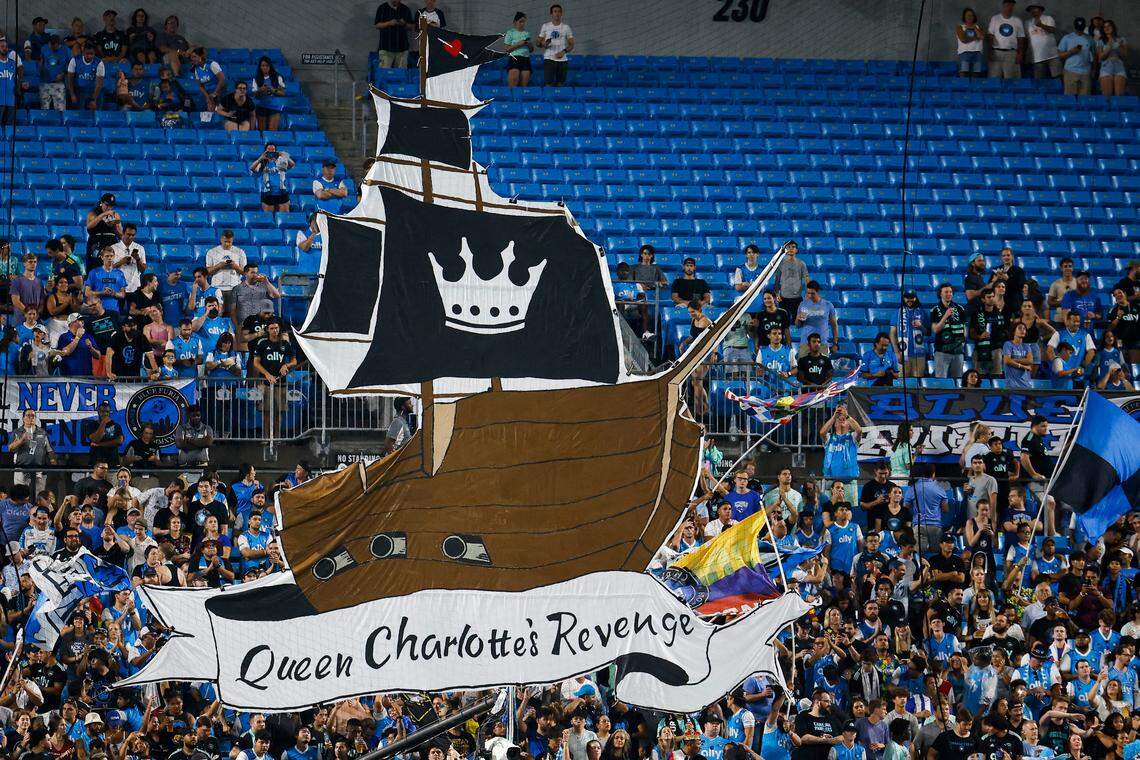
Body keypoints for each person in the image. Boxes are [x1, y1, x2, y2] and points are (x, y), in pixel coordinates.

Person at [251, 319, 297, 439]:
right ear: (267, 329)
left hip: (280, 382)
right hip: (265, 382)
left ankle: (276, 438)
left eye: (276, 328)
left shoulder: (285, 344)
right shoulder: (262, 343)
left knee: (278, 413)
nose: (274, 330)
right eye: (272, 328)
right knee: (266, 412)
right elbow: (256, 362)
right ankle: (266, 438)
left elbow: (294, 361)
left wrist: (286, 365)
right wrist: (266, 374)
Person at [930, 283, 967, 379]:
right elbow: (935, 329)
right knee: (941, 380)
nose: (949, 294)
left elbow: (964, 327)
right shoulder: (935, 310)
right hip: (942, 351)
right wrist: (945, 316)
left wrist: (963, 341)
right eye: (946, 292)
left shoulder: (960, 308)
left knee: (958, 380)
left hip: (958, 351)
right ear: (940, 294)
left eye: (950, 292)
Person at [890, 290, 928, 378]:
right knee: (903, 381)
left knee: (917, 382)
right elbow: (892, 334)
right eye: (907, 298)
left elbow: (928, 332)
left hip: (919, 354)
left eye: (912, 298)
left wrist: (921, 326)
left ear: (915, 298)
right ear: (903, 298)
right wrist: (896, 352)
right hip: (902, 353)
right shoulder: (897, 313)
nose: (909, 300)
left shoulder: (922, 312)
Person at [796, 281, 839, 357]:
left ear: (818, 291)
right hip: (805, 343)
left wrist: (835, 343)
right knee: (803, 368)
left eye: (812, 293)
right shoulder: (802, 304)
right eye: (808, 293)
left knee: (822, 368)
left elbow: (834, 325)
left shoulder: (828, 305)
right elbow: (797, 325)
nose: (810, 295)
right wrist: (798, 319)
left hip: (822, 343)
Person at [987, 0, 1026, 79]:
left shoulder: (1017, 21)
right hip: (996, 52)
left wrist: (1020, 54)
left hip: (1011, 53)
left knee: (1011, 79)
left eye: (1012, 5)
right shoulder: (995, 19)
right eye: (1007, 5)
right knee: (994, 79)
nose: (1009, 7)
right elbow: (990, 36)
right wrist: (990, 51)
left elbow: (1021, 39)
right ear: (1003, 5)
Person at [250, 144, 295, 213]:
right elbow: (252, 168)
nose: (271, 151)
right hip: (267, 193)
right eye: (268, 149)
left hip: (282, 192)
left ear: (276, 151)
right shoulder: (262, 162)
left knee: (284, 216)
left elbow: (292, 164)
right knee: (269, 216)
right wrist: (260, 158)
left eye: (273, 150)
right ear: (265, 151)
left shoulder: (282, 161)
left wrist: (284, 155)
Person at [537, 4, 574, 87]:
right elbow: (537, 43)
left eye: (559, 11)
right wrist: (543, 44)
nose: (557, 13)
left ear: (561, 13)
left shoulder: (566, 27)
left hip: (562, 60)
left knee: (560, 85)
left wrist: (564, 52)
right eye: (555, 11)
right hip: (549, 58)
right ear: (551, 14)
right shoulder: (545, 26)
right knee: (548, 84)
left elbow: (572, 44)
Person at [84, 194, 122, 272]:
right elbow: (89, 226)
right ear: (101, 202)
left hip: (111, 242)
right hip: (97, 241)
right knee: (94, 267)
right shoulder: (93, 213)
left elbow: (120, 234)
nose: (109, 208)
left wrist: (115, 224)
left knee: (110, 268)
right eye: (107, 205)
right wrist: (102, 215)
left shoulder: (115, 215)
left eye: (111, 206)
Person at [1058, 17, 1095, 95]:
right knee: (1070, 100)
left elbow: (1094, 56)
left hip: (1086, 72)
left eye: (1081, 28)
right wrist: (1071, 52)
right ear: (1074, 27)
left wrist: (1093, 70)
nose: (1079, 30)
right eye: (1078, 28)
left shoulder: (1090, 39)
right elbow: (1059, 55)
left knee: (1085, 100)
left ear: (1084, 27)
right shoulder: (1067, 38)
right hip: (1070, 71)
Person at [250, 55, 287, 132]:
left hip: (274, 106)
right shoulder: (256, 78)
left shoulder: (277, 77)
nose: (265, 67)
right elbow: (255, 95)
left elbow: (283, 93)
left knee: (272, 131)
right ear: (260, 67)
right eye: (263, 65)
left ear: (270, 66)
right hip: (261, 106)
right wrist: (261, 90)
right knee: (262, 131)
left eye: (267, 65)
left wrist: (273, 90)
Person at [374, 0, 414, 69]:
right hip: (385, 47)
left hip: (402, 48)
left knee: (401, 74)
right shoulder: (382, 8)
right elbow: (377, 25)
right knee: (384, 73)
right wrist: (389, 23)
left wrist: (404, 24)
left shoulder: (405, 9)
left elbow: (411, 26)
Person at [109, 223, 146, 294]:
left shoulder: (140, 248)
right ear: (123, 233)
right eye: (128, 234)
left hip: (134, 288)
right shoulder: (113, 248)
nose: (130, 237)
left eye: (133, 235)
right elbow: (107, 269)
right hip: (118, 287)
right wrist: (121, 262)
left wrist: (138, 259)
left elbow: (143, 270)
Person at [67, 41, 105, 111]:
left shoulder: (99, 63)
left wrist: (94, 99)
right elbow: (70, 79)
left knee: (94, 117)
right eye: (87, 54)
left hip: (94, 92)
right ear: (83, 52)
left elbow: (99, 84)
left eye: (92, 54)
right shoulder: (74, 60)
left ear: (94, 53)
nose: (89, 56)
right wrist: (72, 94)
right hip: (79, 92)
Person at [1027, 5, 1061, 79]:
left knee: (1057, 78)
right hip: (1037, 57)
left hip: (1052, 56)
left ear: (1041, 10)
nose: (1034, 12)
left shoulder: (1048, 18)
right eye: (1031, 10)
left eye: (1035, 10)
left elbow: (1052, 30)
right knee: (1039, 81)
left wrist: (1041, 25)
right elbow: (1027, 39)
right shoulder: (1028, 23)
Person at [188, 47, 226, 112]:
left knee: (214, 105)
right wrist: (207, 96)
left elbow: (222, 79)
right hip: (208, 92)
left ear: (201, 56)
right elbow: (200, 86)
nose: (193, 59)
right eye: (191, 57)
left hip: (219, 89)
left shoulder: (212, 64)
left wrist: (215, 93)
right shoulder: (196, 69)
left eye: (195, 56)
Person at [1097, 20, 1128, 97]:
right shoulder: (1100, 41)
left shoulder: (1121, 39)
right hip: (1106, 67)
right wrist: (1109, 47)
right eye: (1104, 27)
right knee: (1107, 96)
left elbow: (1125, 55)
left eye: (1109, 26)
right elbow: (1100, 57)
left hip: (1119, 66)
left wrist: (1119, 45)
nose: (1107, 28)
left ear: (1113, 27)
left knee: (1119, 95)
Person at [38, 34, 69, 111]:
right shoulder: (44, 48)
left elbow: (71, 64)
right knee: (44, 110)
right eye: (50, 45)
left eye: (54, 45)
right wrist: (40, 69)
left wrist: (64, 73)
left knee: (60, 110)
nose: (52, 47)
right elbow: (41, 60)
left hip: (59, 84)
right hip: (45, 83)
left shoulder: (66, 50)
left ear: (58, 44)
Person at [1002, 322, 1035, 388]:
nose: (1022, 330)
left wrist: (1013, 360)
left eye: (1024, 329)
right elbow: (1007, 361)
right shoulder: (1008, 344)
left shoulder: (1027, 346)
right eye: (1020, 328)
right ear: (1014, 332)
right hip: (1012, 385)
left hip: (1026, 385)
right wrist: (1023, 366)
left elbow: (1030, 361)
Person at [505, 13, 533, 88]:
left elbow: (531, 50)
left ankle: (520, 98)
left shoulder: (527, 33)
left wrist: (529, 44)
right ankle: (512, 97)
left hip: (525, 59)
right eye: (520, 21)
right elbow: (507, 49)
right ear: (515, 22)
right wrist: (518, 44)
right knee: (514, 78)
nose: (522, 24)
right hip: (514, 57)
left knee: (525, 82)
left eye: (524, 22)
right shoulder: (510, 32)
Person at [956, 8, 985, 77]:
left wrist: (974, 28)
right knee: (963, 73)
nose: (970, 17)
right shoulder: (960, 27)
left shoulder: (978, 27)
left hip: (977, 53)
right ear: (964, 17)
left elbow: (982, 37)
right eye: (968, 15)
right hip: (964, 53)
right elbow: (963, 40)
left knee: (976, 74)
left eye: (972, 15)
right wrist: (975, 38)